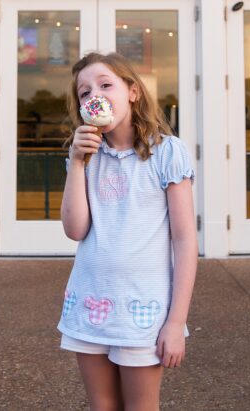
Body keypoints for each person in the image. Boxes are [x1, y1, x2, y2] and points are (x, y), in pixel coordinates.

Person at [58, 51, 198, 410]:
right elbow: (75, 230)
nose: (95, 96)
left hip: (144, 310)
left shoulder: (167, 152)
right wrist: (75, 163)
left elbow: (184, 241)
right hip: (90, 303)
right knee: (102, 406)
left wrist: (176, 322)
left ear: (132, 92)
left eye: (106, 85)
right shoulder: (85, 157)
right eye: (85, 92)